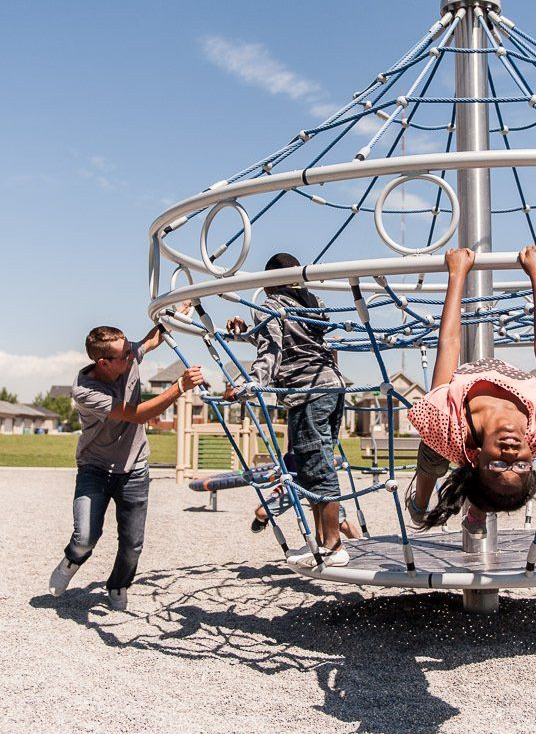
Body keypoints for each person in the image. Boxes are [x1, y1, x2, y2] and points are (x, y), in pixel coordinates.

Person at [405, 246, 536, 529]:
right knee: (487, 487)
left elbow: (449, 344)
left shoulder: (447, 424)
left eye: (497, 465)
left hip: (458, 430)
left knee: (434, 453)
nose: (510, 455)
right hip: (503, 409)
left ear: (478, 458)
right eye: (521, 466)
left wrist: (457, 273)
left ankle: (419, 505)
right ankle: (477, 511)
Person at [48, 311, 204, 610]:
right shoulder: (86, 392)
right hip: (95, 468)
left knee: (132, 544)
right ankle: (73, 559)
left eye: (130, 350)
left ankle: (118, 585)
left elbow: (154, 336)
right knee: (85, 537)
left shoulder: (127, 355)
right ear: (103, 363)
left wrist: (179, 310)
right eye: (125, 355)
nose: (132, 355)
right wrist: (180, 386)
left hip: (134, 468)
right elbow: (137, 415)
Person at [225, 253, 351, 567]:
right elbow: (294, 341)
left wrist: (249, 385)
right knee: (314, 467)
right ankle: (324, 545)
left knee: (317, 470)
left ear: (268, 283)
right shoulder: (313, 302)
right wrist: (246, 333)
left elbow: (272, 352)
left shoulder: (271, 306)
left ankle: (334, 546)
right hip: (333, 388)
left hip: (307, 392)